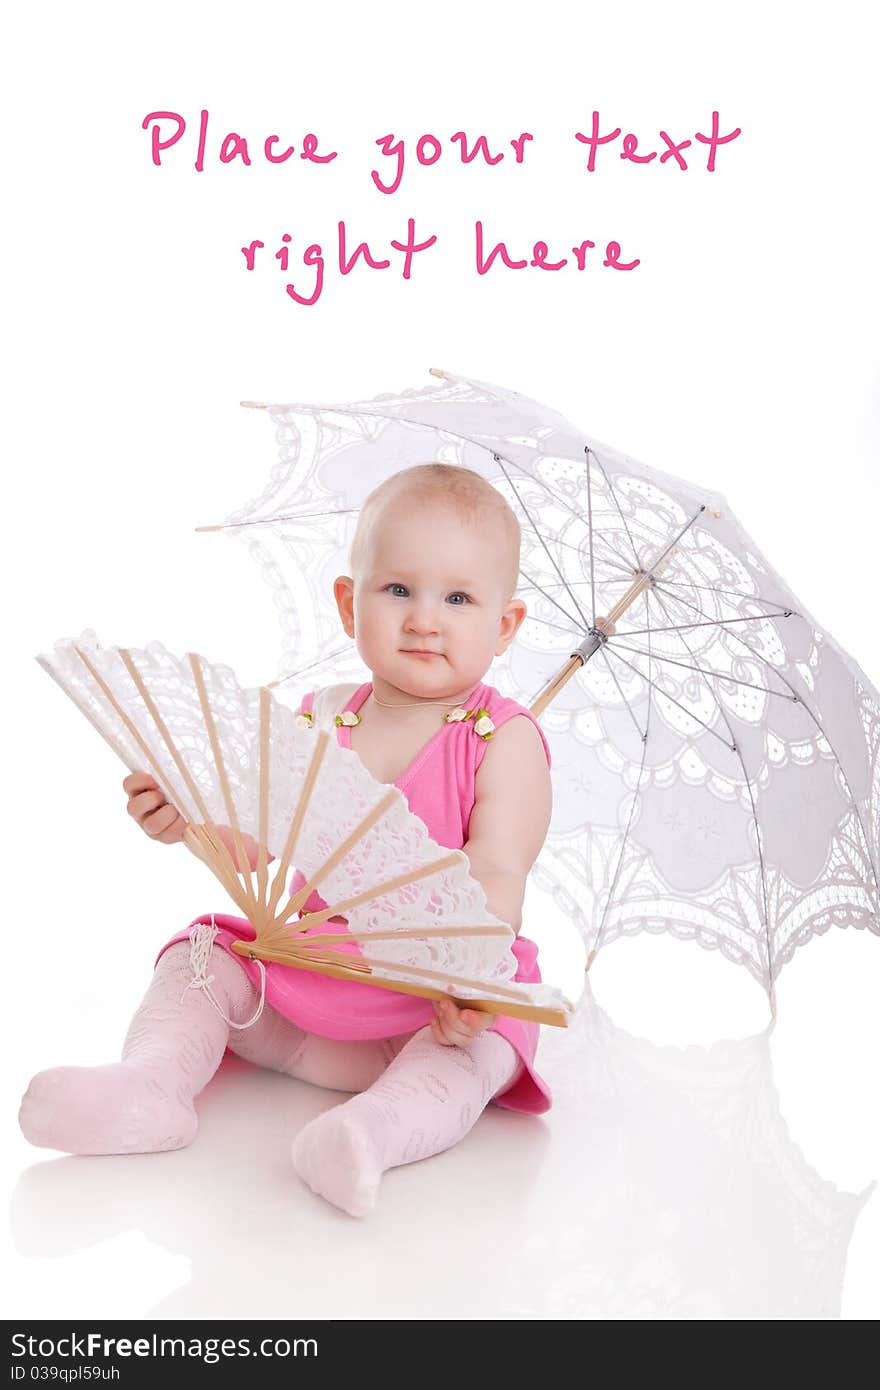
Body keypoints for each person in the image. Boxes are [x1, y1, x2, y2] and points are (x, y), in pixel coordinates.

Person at [19, 463, 554, 1217]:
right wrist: (189, 823)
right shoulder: (321, 718)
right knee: (199, 953)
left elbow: (499, 873)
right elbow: (257, 850)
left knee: (493, 1038)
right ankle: (152, 1084)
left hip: (426, 1006)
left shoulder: (504, 740)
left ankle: (372, 1131)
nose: (424, 619)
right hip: (304, 986)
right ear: (348, 602)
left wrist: (465, 978)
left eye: (458, 598)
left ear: (504, 626)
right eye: (397, 590)